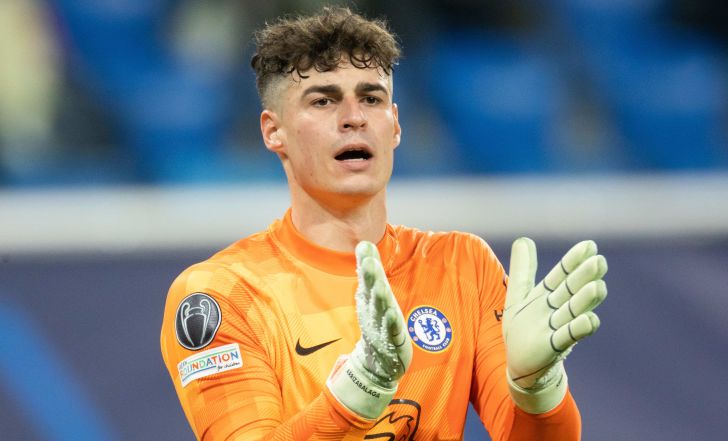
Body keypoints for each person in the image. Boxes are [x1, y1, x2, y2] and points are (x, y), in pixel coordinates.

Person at [160, 6, 608, 440]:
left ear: (394, 125)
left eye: (371, 99)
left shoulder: (461, 266)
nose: (354, 118)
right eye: (323, 100)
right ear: (273, 131)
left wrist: (537, 390)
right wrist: (357, 393)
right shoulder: (221, 294)